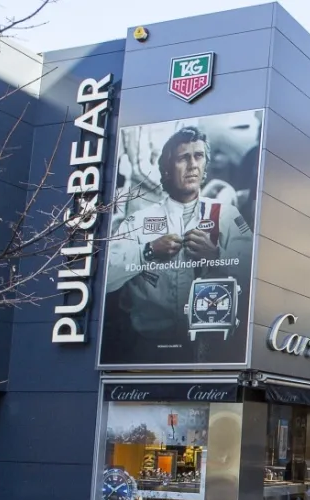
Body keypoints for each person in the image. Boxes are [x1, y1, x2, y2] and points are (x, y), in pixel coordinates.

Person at [106, 126, 253, 359]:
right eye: (183, 158)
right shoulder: (140, 220)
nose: (193, 164)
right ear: (166, 168)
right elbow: (106, 278)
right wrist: (149, 251)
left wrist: (216, 256)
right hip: (150, 349)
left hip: (214, 348)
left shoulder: (226, 215)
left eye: (199, 156)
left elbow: (254, 276)